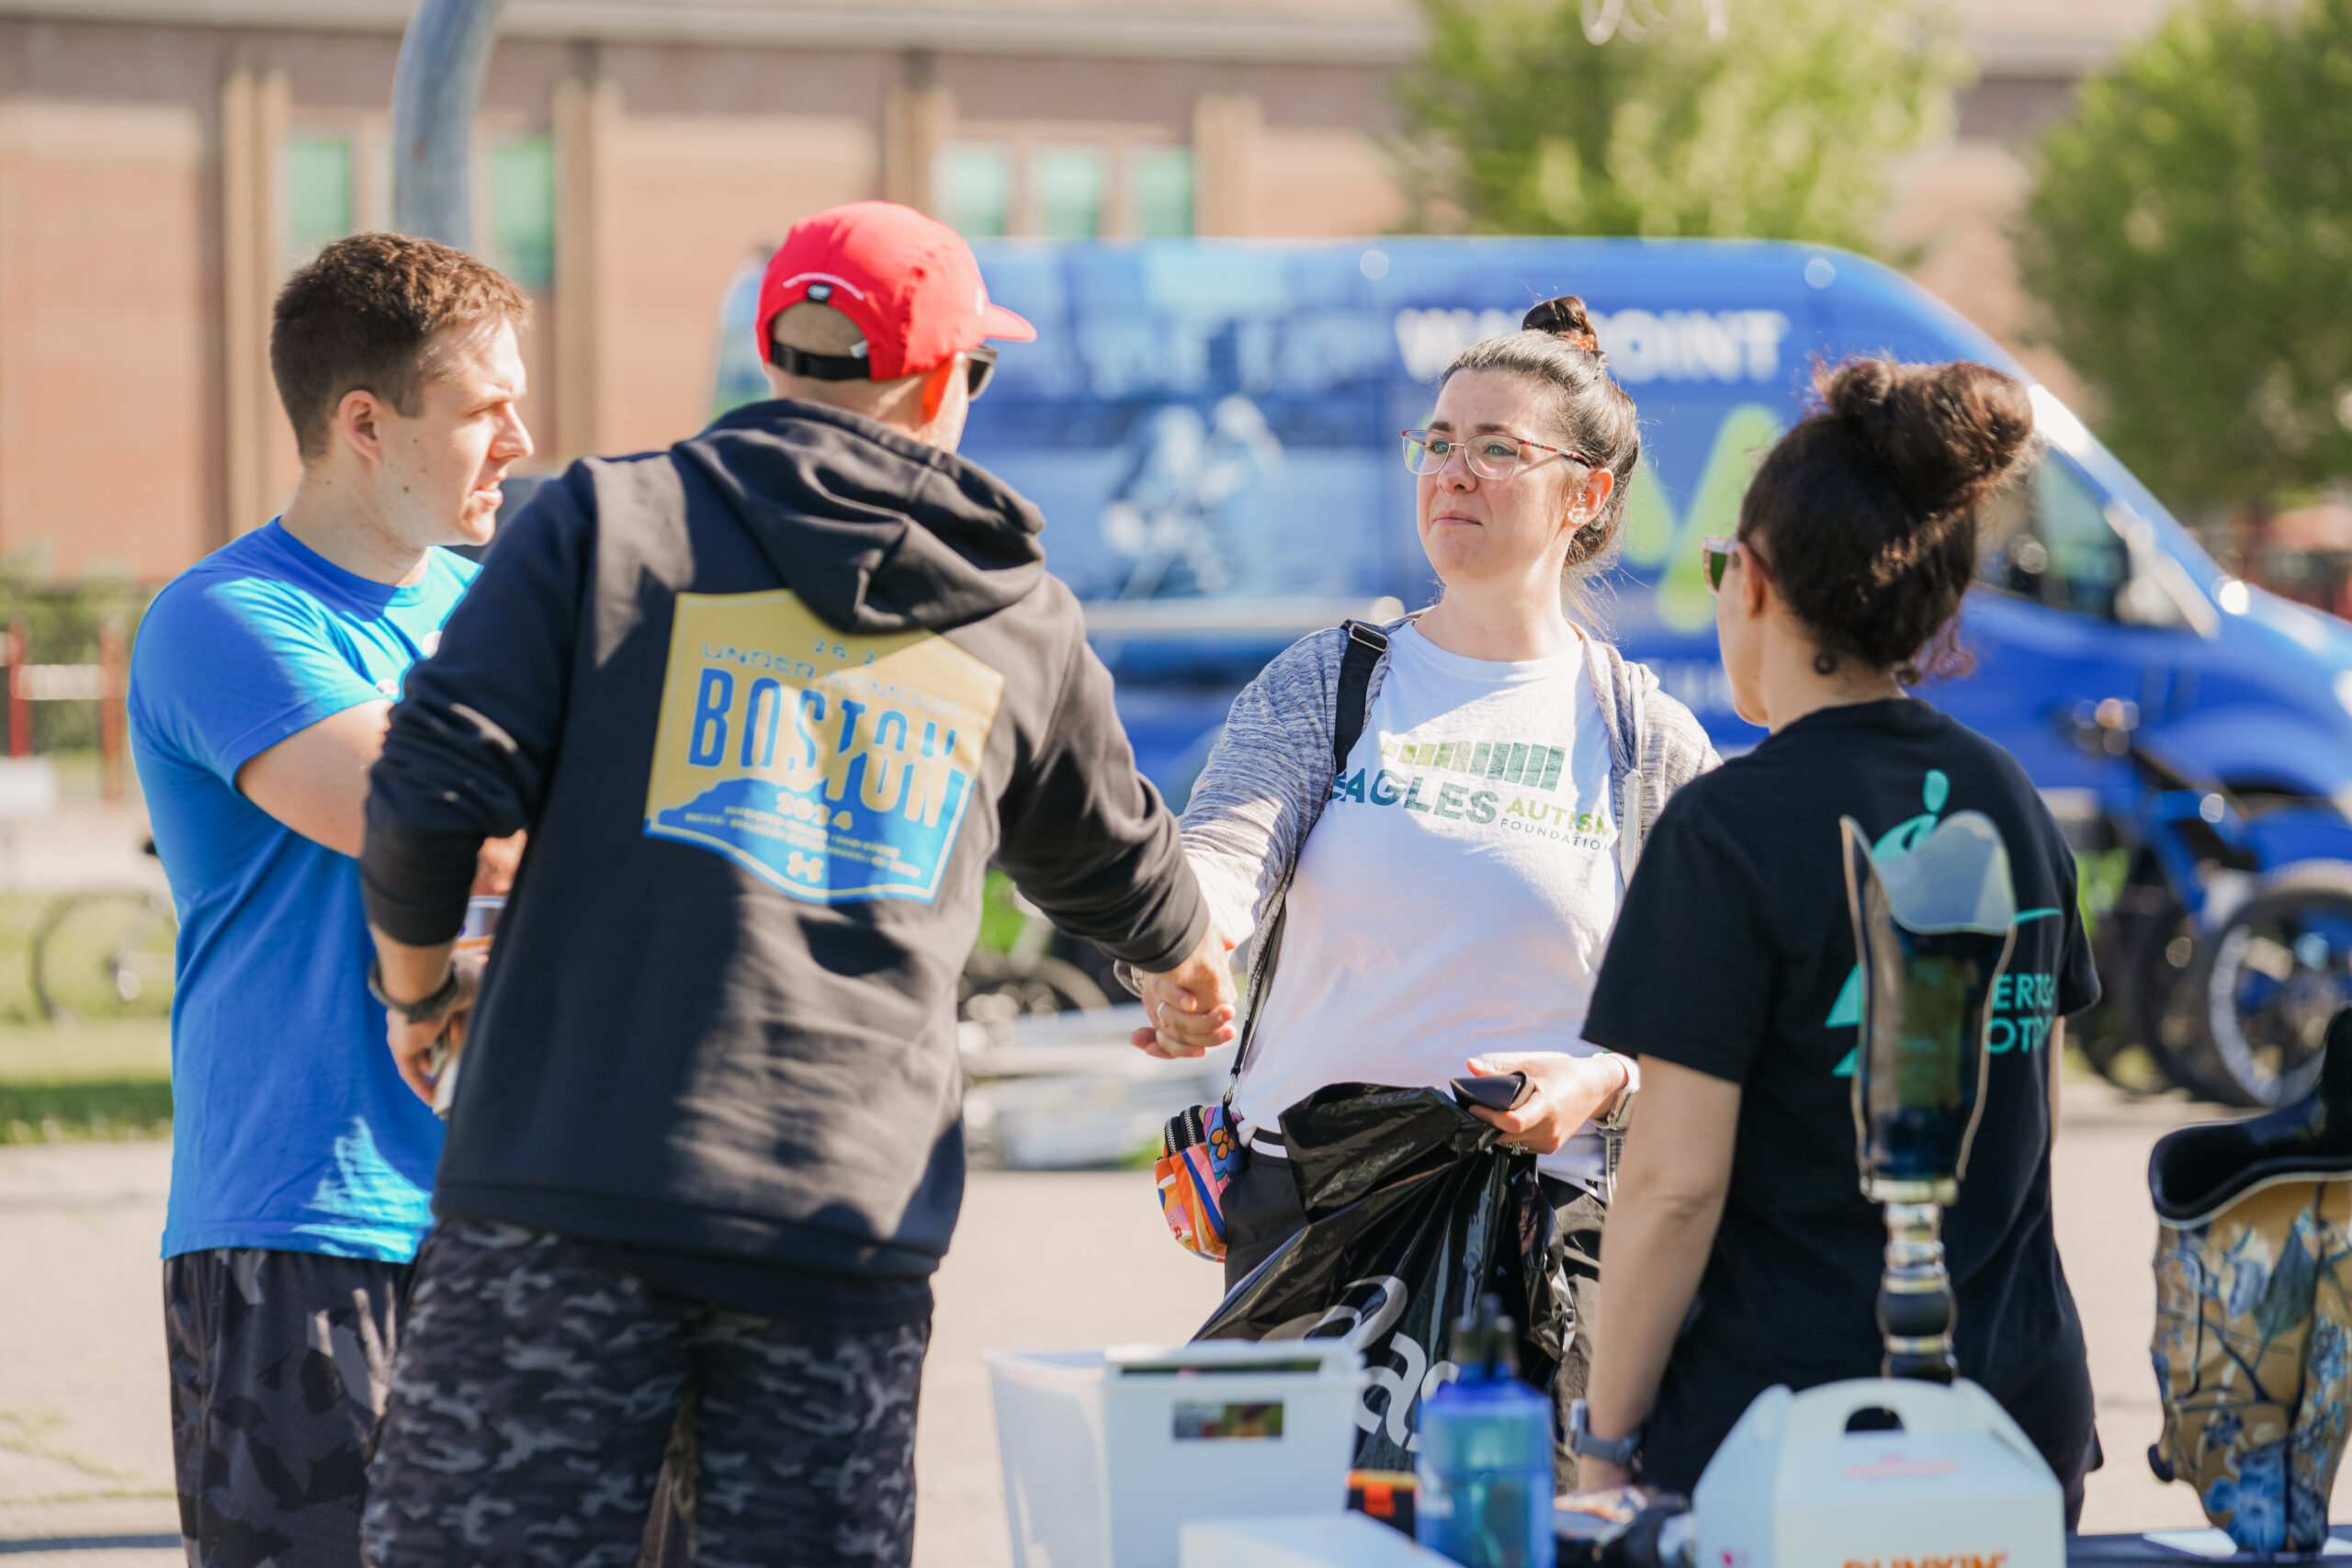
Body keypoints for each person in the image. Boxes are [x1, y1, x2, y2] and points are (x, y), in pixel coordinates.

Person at [354, 199, 1235, 1568]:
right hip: (842, 1227)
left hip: (566, 1195)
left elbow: (425, 785)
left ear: (777, 352)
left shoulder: (606, 522)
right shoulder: (1016, 615)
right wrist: (1184, 966)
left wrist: (416, 990)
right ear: (946, 378)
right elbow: (1114, 854)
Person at [1136, 296, 1717, 1482]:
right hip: (1310, 1228)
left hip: (1544, 1256)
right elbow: (1220, 862)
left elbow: (1717, 1033)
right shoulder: (1333, 680)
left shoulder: (1645, 737)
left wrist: (1606, 1081)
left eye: (1499, 448)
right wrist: (1182, 956)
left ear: (1586, 495)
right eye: (1439, 441)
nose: (1453, 470)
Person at [1570, 358, 2102, 1520]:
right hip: (2018, 1423)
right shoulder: (2007, 798)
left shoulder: (1728, 829)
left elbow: (1668, 1188)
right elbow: (2025, 1129)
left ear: (1751, 582)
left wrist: (1603, 1444)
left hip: (1799, 1445)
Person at [127, 232, 532, 1567]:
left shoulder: (498, 606)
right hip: (310, 1218)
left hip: (519, 1212)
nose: (520, 439)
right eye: (484, 408)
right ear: (366, 422)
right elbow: (426, 824)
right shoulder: (228, 617)